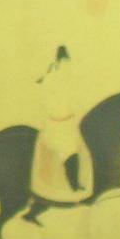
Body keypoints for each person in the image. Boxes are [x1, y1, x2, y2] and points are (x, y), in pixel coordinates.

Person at [31, 46, 93, 204]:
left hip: (69, 122)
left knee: (81, 148)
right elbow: (49, 101)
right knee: (69, 150)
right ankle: (73, 186)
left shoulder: (66, 77)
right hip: (56, 123)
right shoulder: (51, 79)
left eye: (68, 61)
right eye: (64, 61)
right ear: (59, 61)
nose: (67, 64)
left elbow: (74, 98)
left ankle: (78, 183)